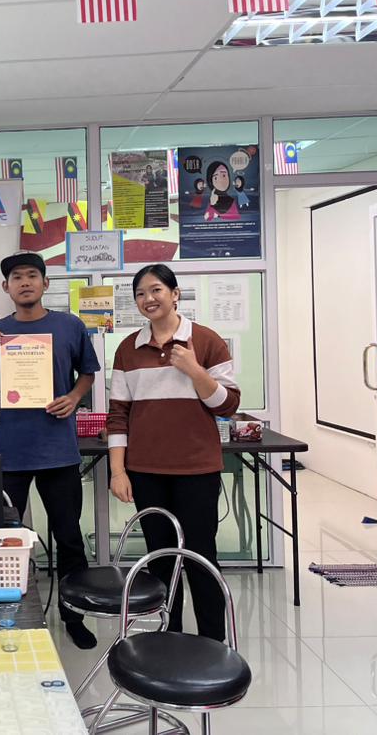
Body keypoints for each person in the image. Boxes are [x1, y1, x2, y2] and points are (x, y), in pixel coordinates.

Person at [106, 264, 240, 641]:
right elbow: (118, 416)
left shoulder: (207, 341)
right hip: (146, 471)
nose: (148, 299)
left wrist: (195, 370)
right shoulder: (128, 349)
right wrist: (118, 471)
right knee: (161, 559)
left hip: (197, 469)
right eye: (140, 294)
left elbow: (228, 405)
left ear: (175, 294)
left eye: (156, 290)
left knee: (200, 556)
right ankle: (169, 638)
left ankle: (213, 643)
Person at [0, 251, 101, 650]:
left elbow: (88, 372)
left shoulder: (69, 325)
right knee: (5, 540)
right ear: (6, 287)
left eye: (32, 275)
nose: (25, 282)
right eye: (17, 277)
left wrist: (74, 398)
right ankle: (8, 615)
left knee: (68, 537)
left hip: (58, 450)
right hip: (10, 451)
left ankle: (74, 615)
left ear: (46, 283)